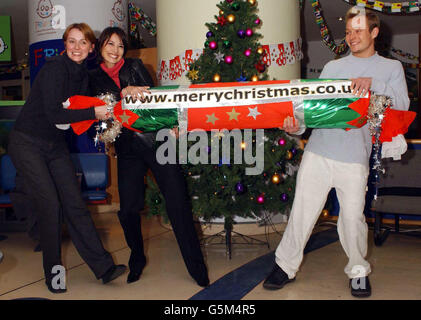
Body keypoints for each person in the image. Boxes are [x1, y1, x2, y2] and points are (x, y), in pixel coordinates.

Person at [263, 7, 409, 298]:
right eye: (348, 32)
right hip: (318, 151)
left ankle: (358, 271)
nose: (351, 37)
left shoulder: (391, 69)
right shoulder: (333, 67)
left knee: (353, 219)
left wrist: (373, 84)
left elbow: (402, 106)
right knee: (302, 212)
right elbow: (313, 111)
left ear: (374, 32)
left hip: (355, 157)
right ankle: (285, 266)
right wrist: (295, 126)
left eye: (358, 31)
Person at [8, 23, 126, 294]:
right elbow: (54, 114)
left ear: (90, 47)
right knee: (51, 205)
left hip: (53, 145)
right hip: (26, 142)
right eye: (71, 42)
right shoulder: (54, 69)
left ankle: (104, 267)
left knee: (74, 202)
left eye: (82, 42)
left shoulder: (82, 75)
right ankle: (54, 274)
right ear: (65, 45)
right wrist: (93, 114)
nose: (76, 47)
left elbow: (88, 104)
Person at [89, 27, 209, 287]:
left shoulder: (134, 66)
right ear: (100, 46)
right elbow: (96, 113)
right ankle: (137, 260)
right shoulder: (93, 77)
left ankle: (196, 268)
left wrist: (174, 123)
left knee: (178, 203)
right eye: (110, 44)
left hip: (157, 142)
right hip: (127, 149)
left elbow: (156, 100)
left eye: (120, 45)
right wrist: (123, 94)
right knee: (129, 209)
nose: (115, 50)